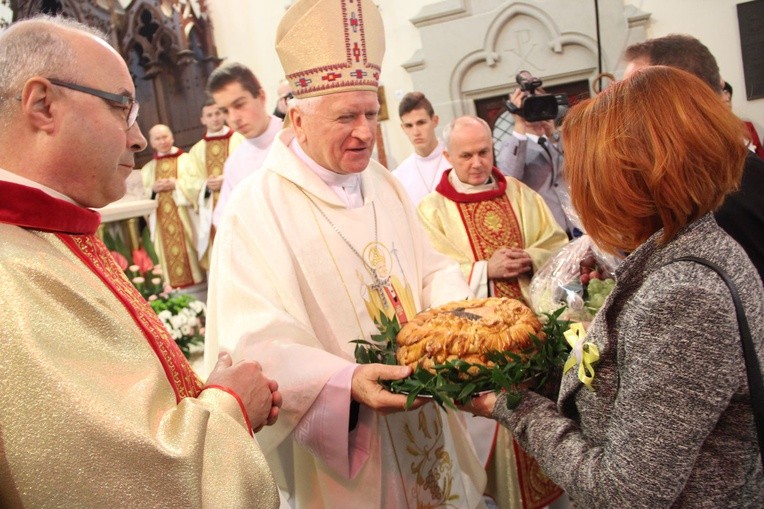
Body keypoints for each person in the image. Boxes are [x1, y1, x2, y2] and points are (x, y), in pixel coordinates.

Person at [204, 0, 487, 507]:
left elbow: (432, 269)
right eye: (346, 116)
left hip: (424, 411)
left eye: (371, 113)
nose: (365, 131)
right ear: (298, 117)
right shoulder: (255, 208)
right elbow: (251, 339)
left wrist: (454, 320)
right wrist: (346, 380)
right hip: (349, 444)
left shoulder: (382, 183)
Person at [0, 15, 280, 508]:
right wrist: (229, 408)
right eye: (121, 108)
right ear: (42, 105)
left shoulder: (49, 234)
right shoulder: (11, 273)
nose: (136, 139)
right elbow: (104, 480)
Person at [464, 66, 764, 508]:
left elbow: (624, 493)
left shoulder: (683, 293)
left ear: (629, 181)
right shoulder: (694, 248)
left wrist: (513, 407)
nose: (577, 190)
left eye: (582, 172)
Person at [417, 115, 568, 509]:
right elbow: (429, 275)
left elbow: (555, 242)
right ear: (447, 155)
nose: (477, 162)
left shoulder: (520, 194)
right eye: (466, 155)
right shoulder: (432, 212)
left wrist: (531, 257)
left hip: (532, 339)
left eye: (484, 151)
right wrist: (485, 269)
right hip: (478, 351)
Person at [623, 34, 764, 284]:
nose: (624, 118)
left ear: (683, 100)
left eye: (637, 100)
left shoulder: (728, 191)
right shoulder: (703, 183)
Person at [207, 62, 282, 226]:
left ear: (261, 97)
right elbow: (223, 219)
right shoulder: (234, 163)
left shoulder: (296, 140)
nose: (233, 118)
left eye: (239, 105)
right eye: (225, 111)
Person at [496, 89, 578, 236]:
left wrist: (553, 135)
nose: (538, 110)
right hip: (546, 230)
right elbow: (509, 178)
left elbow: (580, 167)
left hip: (576, 224)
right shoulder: (513, 145)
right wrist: (520, 122)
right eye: (531, 105)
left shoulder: (558, 139)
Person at [141, 124, 205, 288]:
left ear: (172, 137)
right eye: (158, 138)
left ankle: (199, 284)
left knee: (190, 250)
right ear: (152, 142)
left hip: (185, 217)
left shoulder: (187, 160)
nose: (162, 141)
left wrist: (176, 184)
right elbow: (144, 195)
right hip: (162, 222)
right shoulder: (148, 169)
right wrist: (153, 190)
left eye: (165, 137)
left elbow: (198, 185)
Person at [188, 97, 245, 270]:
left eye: (218, 113)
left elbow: (252, 169)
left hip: (240, 205)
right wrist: (206, 185)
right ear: (203, 120)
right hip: (212, 209)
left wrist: (228, 180)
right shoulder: (197, 150)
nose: (215, 118)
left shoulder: (240, 140)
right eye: (210, 115)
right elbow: (189, 181)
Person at [392, 92, 450, 205]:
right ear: (403, 128)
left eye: (421, 123)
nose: (416, 132)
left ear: (435, 121)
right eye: (409, 126)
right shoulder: (399, 175)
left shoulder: (456, 162)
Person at [722, 80, 764, 158]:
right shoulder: (708, 131)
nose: (727, 97)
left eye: (727, 92)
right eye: (721, 93)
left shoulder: (747, 126)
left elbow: (761, 155)